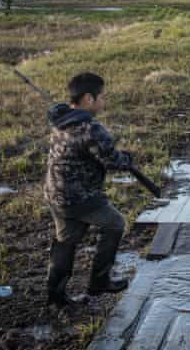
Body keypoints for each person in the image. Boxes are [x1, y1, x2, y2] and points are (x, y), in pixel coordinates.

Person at [45, 72, 134, 308]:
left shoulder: (60, 119)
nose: (104, 102)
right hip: (80, 196)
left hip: (55, 192)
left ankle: (56, 296)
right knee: (115, 223)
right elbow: (113, 161)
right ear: (88, 99)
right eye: (101, 97)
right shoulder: (90, 128)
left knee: (66, 240)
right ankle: (100, 281)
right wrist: (127, 158)